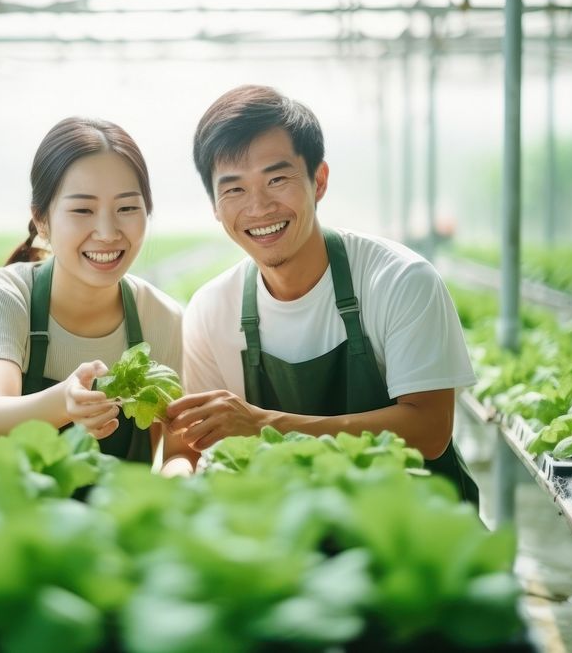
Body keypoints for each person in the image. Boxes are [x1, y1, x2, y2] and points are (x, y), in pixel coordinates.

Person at [168, 85, 478, 502]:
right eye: (234, 189)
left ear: (319, 180)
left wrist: (263, 425)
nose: (258, 207)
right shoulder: (211, 310)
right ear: (214, 205)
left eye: (277, 179)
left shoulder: (400, 280)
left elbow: (428, 430)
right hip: (291, 533)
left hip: (412, 534)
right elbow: (201, 447)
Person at [0, 117, 193, 474]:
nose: (107, 232)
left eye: (127, 208)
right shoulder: (1, 298)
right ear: (42, 220)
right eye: (83, 210)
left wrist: (179, 479)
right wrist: (64, 402)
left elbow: (175, 451)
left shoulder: (161, 317)